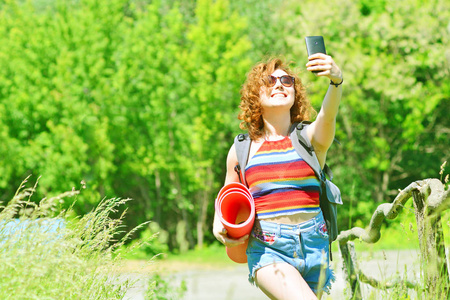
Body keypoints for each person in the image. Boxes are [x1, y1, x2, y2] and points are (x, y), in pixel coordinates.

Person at [213, 52, 343, 300]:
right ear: (256, 95)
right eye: (270, 81)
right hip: (268, 249)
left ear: (295, 94)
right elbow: (226, 198)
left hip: (316, 247)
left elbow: (328, 115)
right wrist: (218, 225)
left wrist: (336, 83)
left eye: (287, 81)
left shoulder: (310, 139)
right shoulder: (242, 149)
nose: (280, 85)